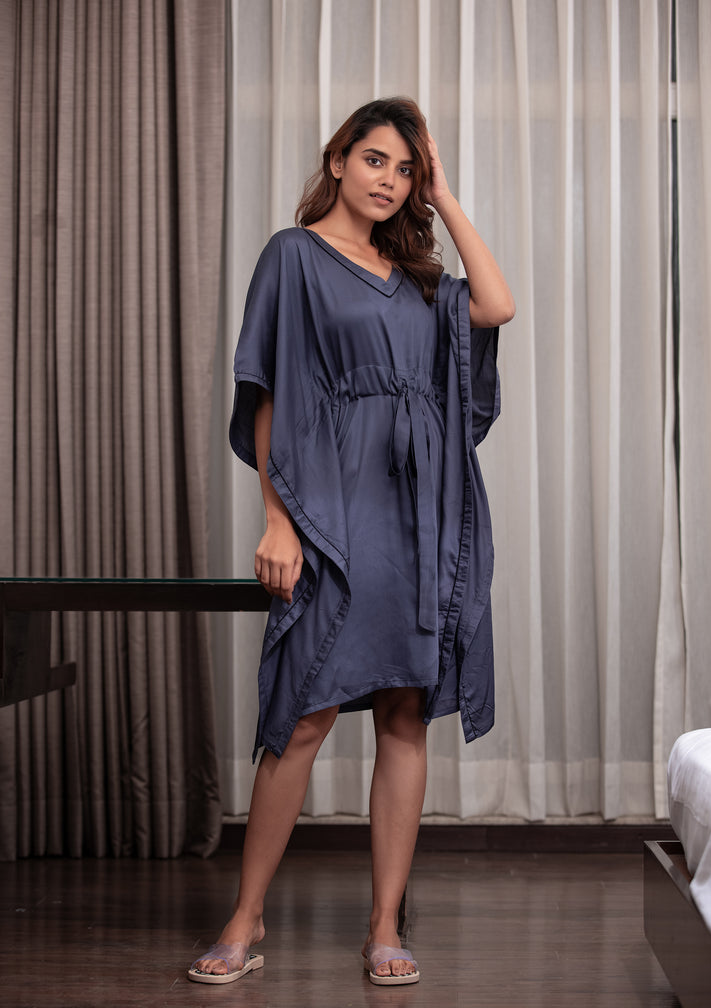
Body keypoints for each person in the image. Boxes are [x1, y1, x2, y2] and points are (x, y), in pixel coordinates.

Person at [188, 96, 515, 987]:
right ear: (337, 160)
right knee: (303, 713)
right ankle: (246, 915)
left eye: (406, 170)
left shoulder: (417, 277)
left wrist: (444, 196)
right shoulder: (292, 257)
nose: (390, 181)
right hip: (334, 504)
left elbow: (497, 305)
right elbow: (268, 391)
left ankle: (383, 924)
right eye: (376, 160)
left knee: (405, 712)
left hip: (421, 510)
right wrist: (278, 518)